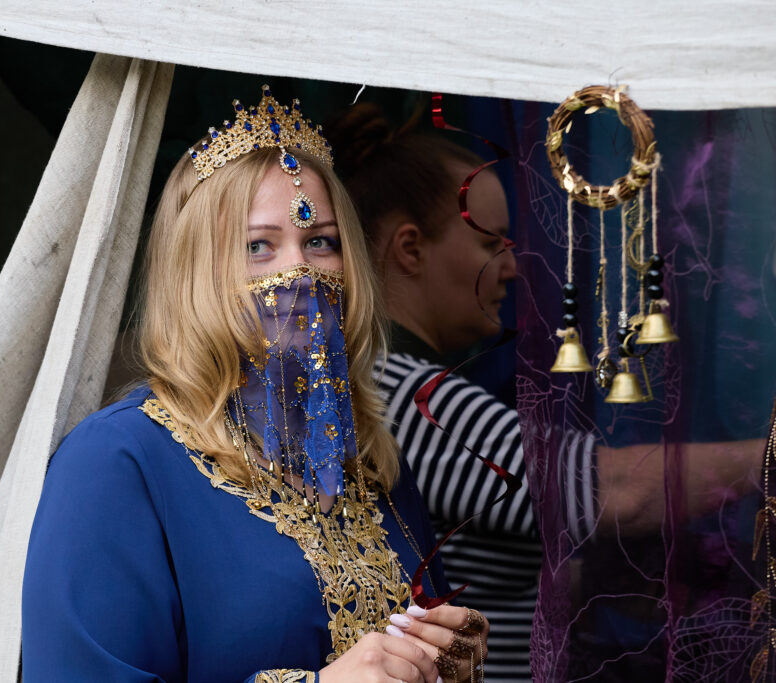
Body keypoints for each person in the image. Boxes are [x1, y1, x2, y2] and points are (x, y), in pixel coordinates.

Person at [21, 86, 491, 683]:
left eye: (319, 241)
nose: (299, 270)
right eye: (258, 247)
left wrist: (444, 659)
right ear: (197, 273)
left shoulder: (371, 464)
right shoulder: (117, 461)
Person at [325, 103, 765, 682]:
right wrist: (767, 454)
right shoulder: (399, 393)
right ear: (410, 249)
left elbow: (487, 575)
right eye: (491, 244)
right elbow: (618, 490)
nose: (512, 267)